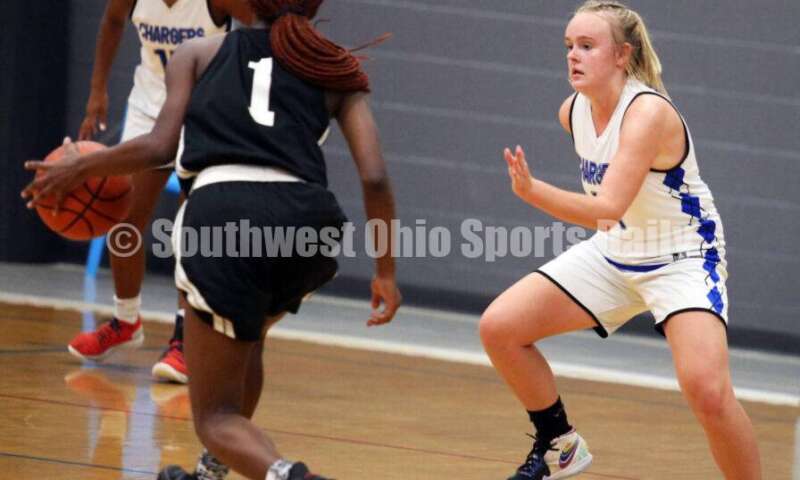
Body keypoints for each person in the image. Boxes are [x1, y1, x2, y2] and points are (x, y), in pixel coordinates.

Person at [24, 1, 401, 479]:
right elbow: (375, 179)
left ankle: (290, 476)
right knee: (249, 340)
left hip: (223, 215)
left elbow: (160, 148)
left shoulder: (200, 53)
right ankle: (213, 471)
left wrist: (81, 165)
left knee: (214, 417)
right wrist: (385, 271)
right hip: (308, 224)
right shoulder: (334, 65)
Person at [479, 1, 761, 479]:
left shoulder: (647, 112)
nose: (573, 56)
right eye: (569, 46)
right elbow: (612, 221)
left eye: (587, 46)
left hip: (682, 258)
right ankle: (560, 446)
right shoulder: (572, 112)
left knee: (707, 392)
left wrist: (531, 191)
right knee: (500, 328)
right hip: (616, 252)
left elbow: (606, 209)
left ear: (621, 55)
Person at [69, 0, 254, 385]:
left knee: (191, 230)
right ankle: (125, 320)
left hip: (205, 115)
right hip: (149, 109)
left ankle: (184, 340)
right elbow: (113, 21)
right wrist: (97, 90)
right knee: (124, 219)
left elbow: (261, 26)